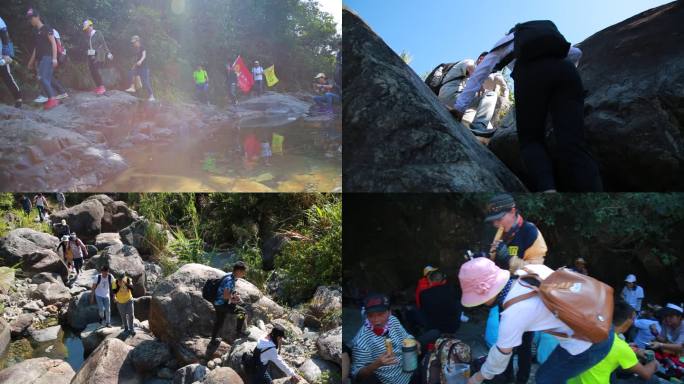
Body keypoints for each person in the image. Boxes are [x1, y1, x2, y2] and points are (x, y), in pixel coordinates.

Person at [452, 21, 602, 192]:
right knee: (574, 142)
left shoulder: (509, 39)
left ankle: (548, 191)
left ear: (514, 32)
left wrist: (460, 107)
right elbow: (576, 52)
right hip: (566, 71)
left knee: (531, 140)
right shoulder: (550, 41)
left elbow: (482, 71)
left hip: (530, 75)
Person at [458, 258, 614, 384]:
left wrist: (477, 378)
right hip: (598, 317)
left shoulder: (513, 314)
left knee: (545, 379)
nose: (481, 302)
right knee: (550, 375)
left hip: (590, 341)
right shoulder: (528, 271)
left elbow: (500, 357)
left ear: (486, 290)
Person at [483, 194, 548, 384]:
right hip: (505, 295)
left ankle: (521, 379)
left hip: (526, 297)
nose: (496, 224)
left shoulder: (531, 233)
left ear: (512, 211)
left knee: (525, 344)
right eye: (493, 220)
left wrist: (510, 260)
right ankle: (507, 375)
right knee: (506, 339)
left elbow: (537, 271)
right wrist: (488, 258)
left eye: (499, 219)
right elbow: (494, 256)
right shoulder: (502, 230)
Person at [567, 300, 659, 384]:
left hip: (570, 380)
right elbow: (646, 374)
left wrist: (634, 351)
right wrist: (653, 362)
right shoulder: (620, 346)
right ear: (628, 321)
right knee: (652, 379)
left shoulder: (591, 331)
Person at [351, 293, 420, 384]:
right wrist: (376, 364)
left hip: (411, 367)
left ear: (389, 312)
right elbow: (357, 376)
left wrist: (416, 343)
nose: (376, 320)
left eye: (380, 314)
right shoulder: (361, 341)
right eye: (371, 315)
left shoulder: (393, 320)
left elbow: (406, 337)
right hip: (393, 381)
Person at [26, 8, 60, 110]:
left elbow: (54, 43)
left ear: (37, 17)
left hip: (48, 57)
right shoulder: (37, 32)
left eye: (32, 18)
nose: (30, 20)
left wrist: (54, 58)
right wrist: (31, 62)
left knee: (43, 78)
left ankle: (52, 99)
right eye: (29, 19)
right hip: (41, 59)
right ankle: (52, 99)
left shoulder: (47, 28)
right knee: (44, 79)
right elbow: (36, 49)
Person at [211, 261, 248, 344]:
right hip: (221, 304)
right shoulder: (230, 280)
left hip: (217, 302)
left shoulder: (229, 275)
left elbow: (227, 290)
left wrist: (234, 294)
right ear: (238, 271)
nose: (244, 274)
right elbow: (225, 295)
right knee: (242, 311)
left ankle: (213, 339)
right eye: (243, 272)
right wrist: (234, 299)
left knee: (219, 320)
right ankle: (238, 332)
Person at [418, 269, 463, 336]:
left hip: (435, 328)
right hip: (453, 326)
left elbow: (423, 311)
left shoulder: (424, 294)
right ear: (444, 280)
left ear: (430, 280)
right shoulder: (452, 289)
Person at [33, 28, 69, 104]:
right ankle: (61, 92)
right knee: (48, 76)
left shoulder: (48, 30)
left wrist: (55, 58)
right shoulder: (46, 30)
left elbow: (57, 44)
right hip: (50, 56)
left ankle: (46, 95)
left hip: (50, 56)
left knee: (44, 75)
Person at [82, 19, 112, 95]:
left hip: (99, 55)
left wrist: (108, 53)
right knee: (92, 71)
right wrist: (87, 52)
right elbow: (87, 47)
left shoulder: (98, 33)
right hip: (91, 56)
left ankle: (102, 87)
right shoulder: (87, 36)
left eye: (88, 28)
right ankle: (98, 86)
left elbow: (103, 43)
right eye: (86, 29)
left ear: (91, 26)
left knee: (96, 70)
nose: (87, 30)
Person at [0, 16, 23, 108]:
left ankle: (18, 98)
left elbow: (4, 33)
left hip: (1, 54)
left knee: (6, 76)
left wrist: (6, 53)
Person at [124, 35, 155, 101]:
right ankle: (132, 87)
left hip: (144, 68)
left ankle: (151, 96)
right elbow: (136, 60)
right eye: (133, 43)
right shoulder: (136, 50)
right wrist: (134, 66)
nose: (133, 44)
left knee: (145, 82)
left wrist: (140, 61)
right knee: (131, 73)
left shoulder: (142, 48)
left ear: (138, 41)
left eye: (134, 42)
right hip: (138, 67)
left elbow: (144, 56)